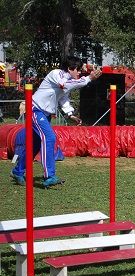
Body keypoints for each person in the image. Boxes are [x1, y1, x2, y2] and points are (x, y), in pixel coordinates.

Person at [10, 56, 102, 187]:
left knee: (35, 144)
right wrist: (88, 79)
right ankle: (49, 176)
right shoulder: (56, 73)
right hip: (35, 110)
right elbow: (64, 85)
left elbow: (63, 98)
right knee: (49, 138)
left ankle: (18, 171)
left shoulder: (68, 80)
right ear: (70, 69)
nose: (80, 73)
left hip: (44, 114)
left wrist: (71, 114)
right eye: (78, 70)